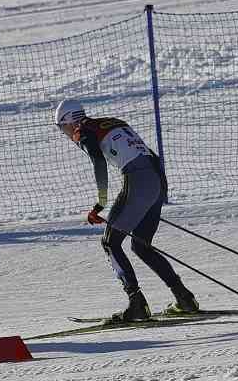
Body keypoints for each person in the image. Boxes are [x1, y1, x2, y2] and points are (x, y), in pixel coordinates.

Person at [55, 99, 199, 324]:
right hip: (157, 179)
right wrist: (151, 193)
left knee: (110, 243)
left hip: (138, 179)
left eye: (62, 128)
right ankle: (185, 298)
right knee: (141, 245)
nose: (65, 134)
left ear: (70, 122)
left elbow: (99, 164)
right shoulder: (111, 122)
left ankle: (136, 304)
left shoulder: (83, 131)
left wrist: (100, 205)